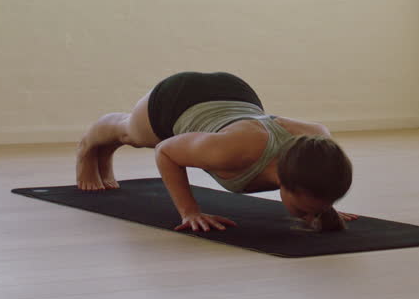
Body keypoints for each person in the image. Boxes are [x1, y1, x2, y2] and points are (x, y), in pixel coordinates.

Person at [75, 71, 356, 233]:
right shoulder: (233, 151)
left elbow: (318, 170)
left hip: (238, 96)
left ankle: (105, 155)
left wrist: (321, 204)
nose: (309, 217)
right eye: (305, 211)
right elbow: (165, 152)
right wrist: (190, 211)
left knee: (131, 137)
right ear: (286, 181)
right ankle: (88, 148)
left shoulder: (318, 144)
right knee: (131, 134)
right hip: (180, 98)